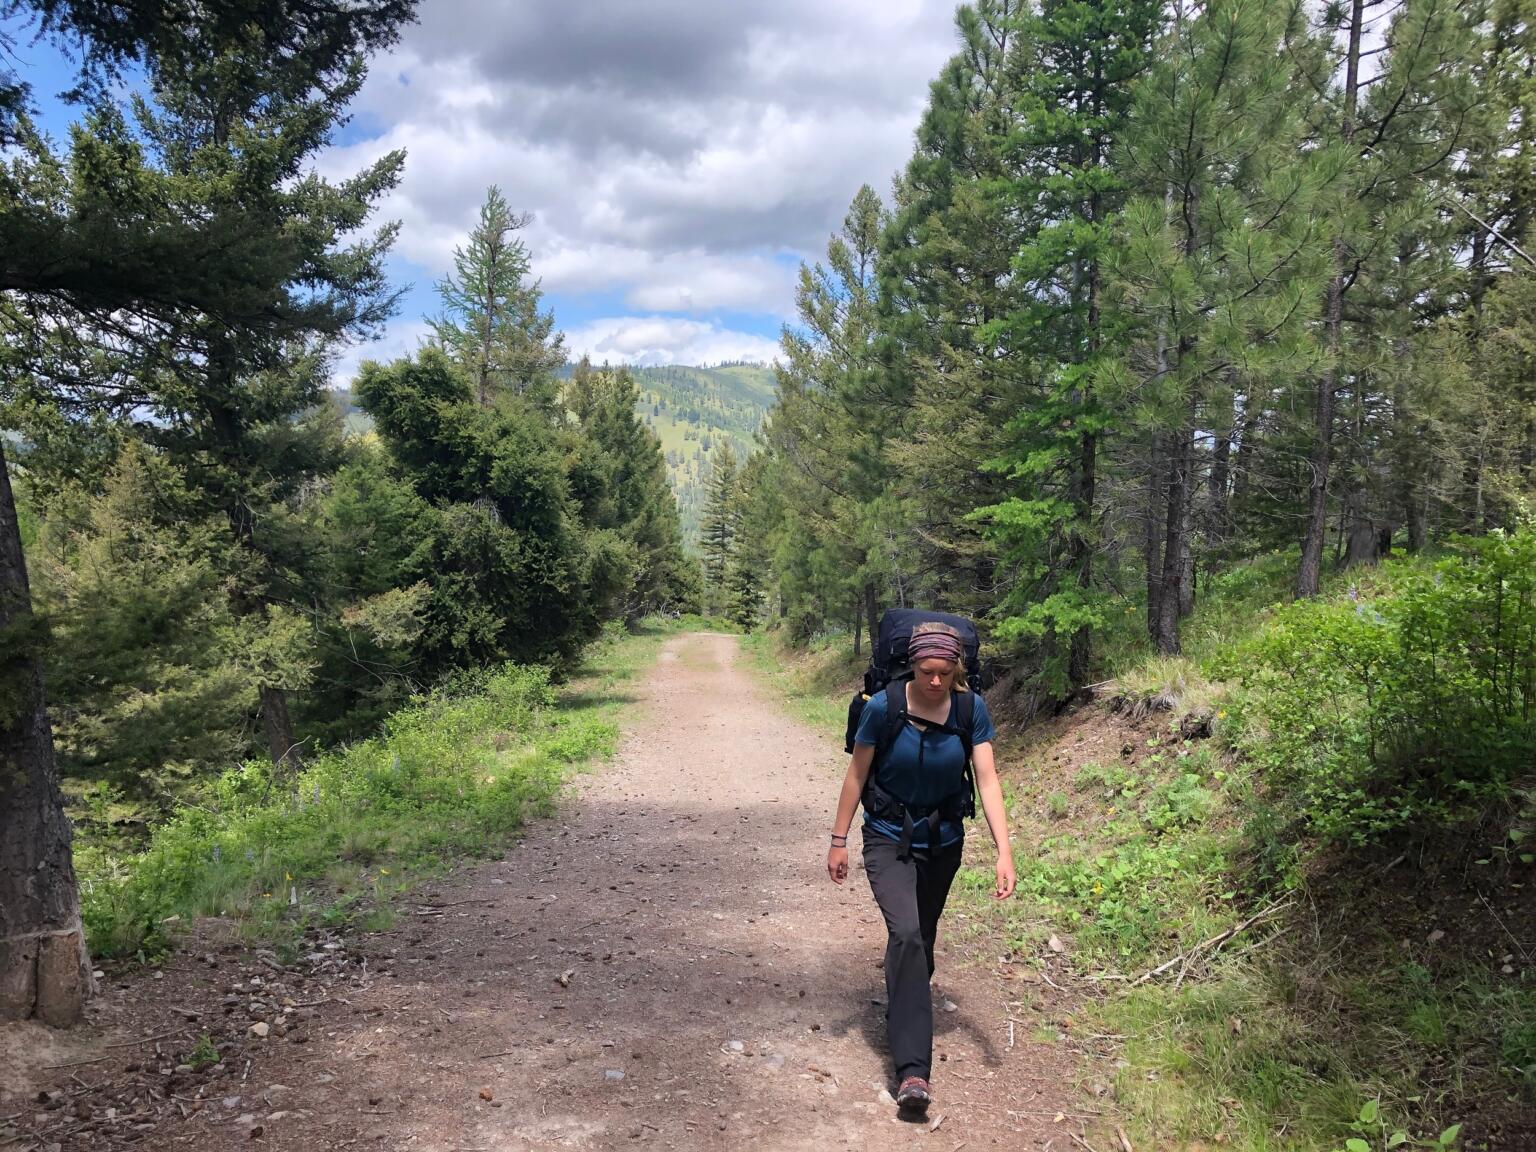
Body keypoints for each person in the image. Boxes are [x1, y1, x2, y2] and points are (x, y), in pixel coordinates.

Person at [826, 623, 1015, 1114]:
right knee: (907, 932)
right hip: (887, 836)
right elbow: (856, 774)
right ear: (912, 665)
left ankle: (904, 1000)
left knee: (921, 939)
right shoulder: (881, 708)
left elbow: (988, 781)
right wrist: (838, 839)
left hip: (944, 840)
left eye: (944, 672)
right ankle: (913, 1071)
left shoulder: (971, 710)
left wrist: (1004, 851)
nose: (935, 682)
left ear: (957, 669)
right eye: (927, 672)